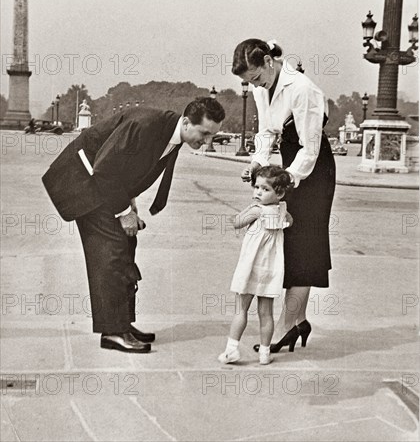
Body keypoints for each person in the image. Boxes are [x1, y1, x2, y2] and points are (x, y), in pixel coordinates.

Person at [42, 98, 225, 353]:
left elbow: (127, 166)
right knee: (112, 252)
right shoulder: (146, 125)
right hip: (84, 183)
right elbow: (104, 167)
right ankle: (113, 332)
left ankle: (121, 324)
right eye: (204, 133)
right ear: (186, 122)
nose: (207, 142)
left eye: (212, 136)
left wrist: (130, 202)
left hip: (103, 184)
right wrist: (124, 212)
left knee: (126, 243)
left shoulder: (172, 132)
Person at [231, 38, 336, 354]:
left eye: (256, 77)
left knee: (305, 246)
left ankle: (289, 325)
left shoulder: (302, 88)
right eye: (248, 83)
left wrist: (286, 179)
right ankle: (299, 320)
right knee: (287, 243)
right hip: (287, 166)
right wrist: (258, 165)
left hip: (313, 171)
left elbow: (311, 148)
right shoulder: (262, 87)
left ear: (267, 61)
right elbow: (266, 132)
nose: (255, 85)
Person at [218, 166, 294, 365]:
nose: (258, 192)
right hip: (271, 269)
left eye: (265, 189)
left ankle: (231, 350)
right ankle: (265, 353)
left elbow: (236, 222)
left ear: (279, 192)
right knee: (266, 312)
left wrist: (248, 210)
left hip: (251, 267)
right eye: (257, 187)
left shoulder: (257, 210)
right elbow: (290, 221)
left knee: (241, 309)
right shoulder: (282, 209)